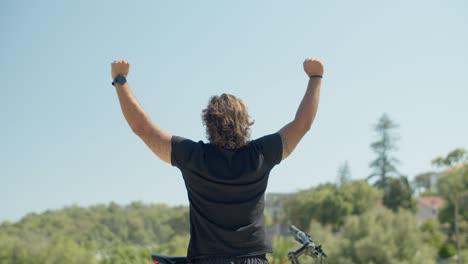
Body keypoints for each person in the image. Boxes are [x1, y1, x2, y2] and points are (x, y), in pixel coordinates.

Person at [110, 57, 324, 264]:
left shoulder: (192, 156)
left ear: (208, 122)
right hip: (253, 260)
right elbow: (302, 124)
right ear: (245, 123)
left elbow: (143, 129)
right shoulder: (261, 154)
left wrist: (121, 81)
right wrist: (315, 76)